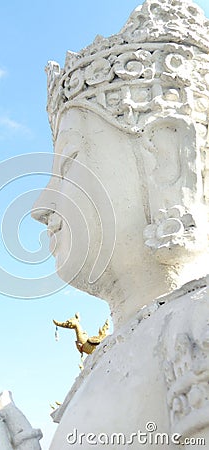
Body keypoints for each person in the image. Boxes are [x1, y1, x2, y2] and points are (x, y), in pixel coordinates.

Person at [32, 0, 209, 447]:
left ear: (167, 162)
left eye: (68, 164)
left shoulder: (194, 327)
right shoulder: (114, 352)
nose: (41, 205)